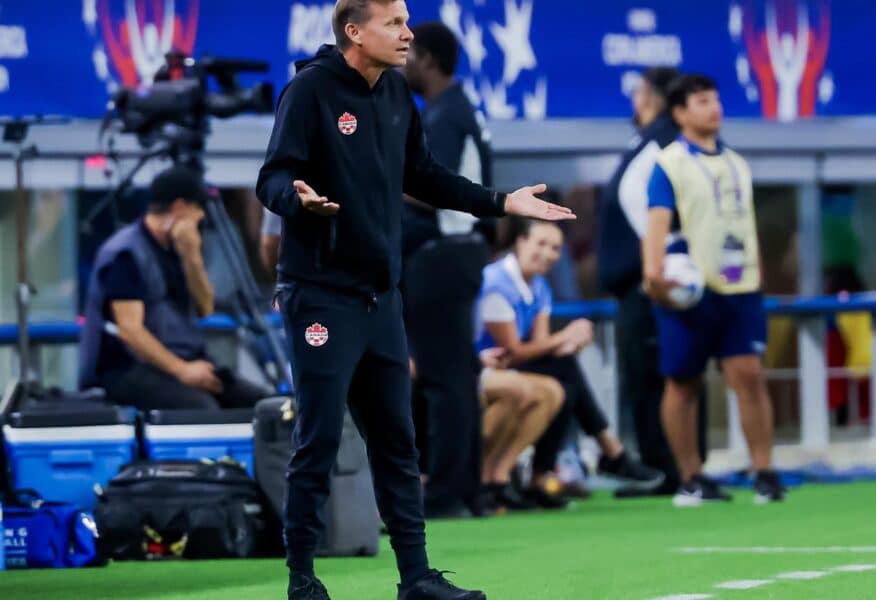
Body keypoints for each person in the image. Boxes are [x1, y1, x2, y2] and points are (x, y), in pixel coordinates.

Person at [255, 2, 573, 599]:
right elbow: (270, 177)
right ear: (355, 31)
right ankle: (302, 578)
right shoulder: (309, 91)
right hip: (320, 296)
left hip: (381, 298)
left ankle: (416, 578)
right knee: (319, 439)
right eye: (394, 23)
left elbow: (424, 175)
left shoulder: (397, 94)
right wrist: (296, 198)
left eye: (406, 22)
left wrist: (503, 202)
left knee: (398, 441)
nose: (408, 34)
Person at [641, 74, 783, 507]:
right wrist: (654, 278)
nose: (714, 108)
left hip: (741, 288)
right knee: (683, 383)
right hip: (689, 290)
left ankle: (764, 471)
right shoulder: (668, 164)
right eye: (702, 101)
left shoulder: (739, 163)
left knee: (750, 377)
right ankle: (691, 477)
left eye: (716, 99)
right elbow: (657, 225)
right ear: (681, 112)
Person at [476, 218, 664, 507]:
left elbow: (538, 345)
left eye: (555, 248)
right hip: (483, 367)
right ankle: (602, 456)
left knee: (562, 378)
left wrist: (566, 343)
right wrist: (564, 337)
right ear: (520, 242)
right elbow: (512, 350)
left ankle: (523, 476)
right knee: (563, 374)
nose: (548, 253)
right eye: (541, 244)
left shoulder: (538, 285)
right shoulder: (496, 282)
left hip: (511, 365)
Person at [598, 67, 707, 497]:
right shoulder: (653, 142)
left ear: (655, 98)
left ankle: (671, 467)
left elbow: (657, 212)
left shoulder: (664, 144)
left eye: (640, 92)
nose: (635, 100)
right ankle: (679, 466)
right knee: (661, 374)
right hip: (646, 281)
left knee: (660, 375)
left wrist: (661, 265)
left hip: (656, 282)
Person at [79, 165, 270, 411]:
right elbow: (130, 330)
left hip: (184, 359)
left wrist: (192, 256)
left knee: (263, 404)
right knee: (202, 408)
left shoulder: (178, 248)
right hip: (127, 368)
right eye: (198, 209)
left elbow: (205, 308)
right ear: (180, 207)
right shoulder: (125, 253)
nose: (201, 217)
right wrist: (183, 371)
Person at [400, 21, 494, 519]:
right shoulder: (455, 109)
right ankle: (468, 490)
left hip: (445, 254)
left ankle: (448, 492)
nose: (404, 60)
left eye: (410, 52)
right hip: (459, 252)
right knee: (456, 375)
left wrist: (375, 182)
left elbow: (437, 186)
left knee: (444, 380)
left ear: (429, 59)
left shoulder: (444, 116)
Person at [477, 348, 564, 511]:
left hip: (478, 366)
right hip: (460, 369)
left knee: (554, 389)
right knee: (515, 391)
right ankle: (478, 475)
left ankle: (499, 475)